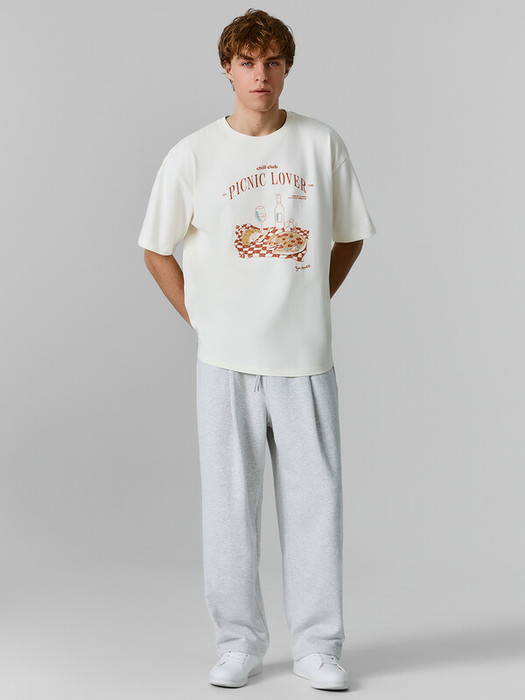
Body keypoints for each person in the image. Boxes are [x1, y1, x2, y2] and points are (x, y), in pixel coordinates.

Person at [137, 8, 376, 691]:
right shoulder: (193, 155)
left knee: (315, 506)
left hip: (305, 360)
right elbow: (155, 249)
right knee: (229, 509)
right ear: (227, 69)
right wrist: (202, 320)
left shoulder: (320, 144)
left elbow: (349, 236)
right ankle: (238, 641)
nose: (259, 75)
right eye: (246, 62)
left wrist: (310, 300)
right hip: (226, 362)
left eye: (271, 62)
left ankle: (318, 647)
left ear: (287, 68)